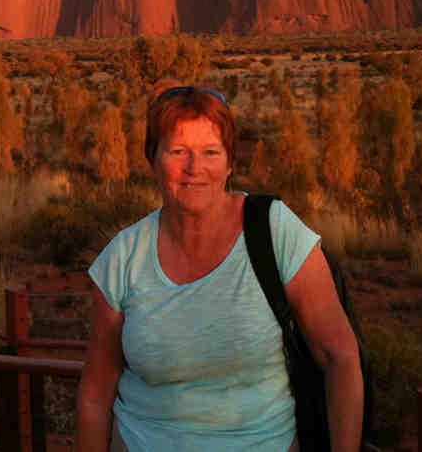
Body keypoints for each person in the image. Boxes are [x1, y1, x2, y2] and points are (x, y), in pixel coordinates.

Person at [75, 83, 364, 452]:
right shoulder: (123, 258)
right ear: (153, 159)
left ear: (230, 164)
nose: (195, 169)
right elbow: (95, 394)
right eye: (178, 151)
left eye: (211, 152)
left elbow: (339, 355)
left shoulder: (274, 232)